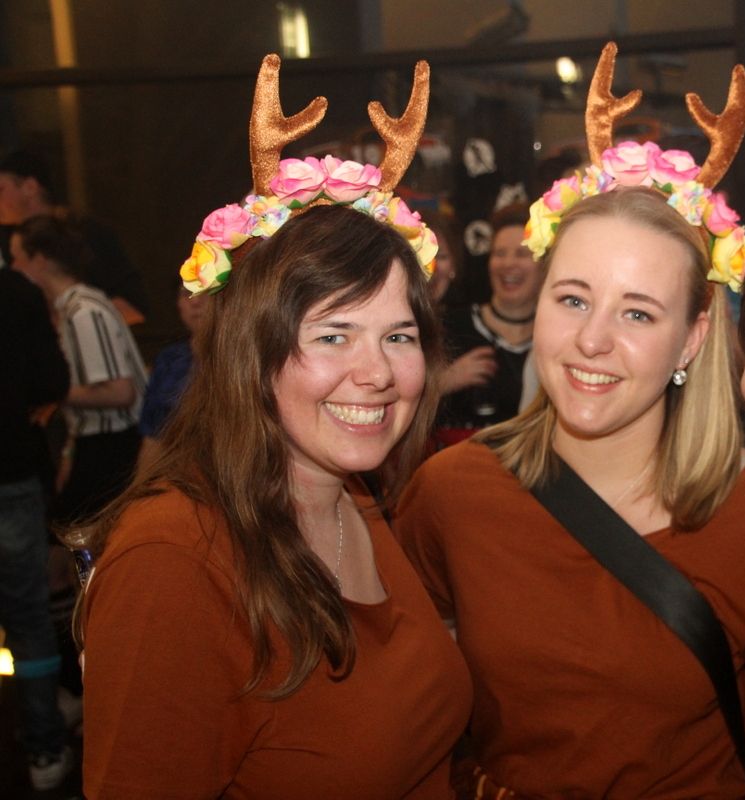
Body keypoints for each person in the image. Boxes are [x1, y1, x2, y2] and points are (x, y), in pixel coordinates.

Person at [397, 45, 745, 797]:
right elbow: (402, 710)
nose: (593, 340)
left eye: (638, 313)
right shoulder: (451, 496)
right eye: (573, 299)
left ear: (691, 338)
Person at [75, 55, 471, 798]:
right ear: (250, 354)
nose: (377, 372)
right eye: (333, 334)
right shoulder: (174, 562)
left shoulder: (352, 496)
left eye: (399, 335)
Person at [10, 215, 147, 524]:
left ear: (40, 260)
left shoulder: (84, 311)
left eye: (18, 259)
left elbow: (120, 392)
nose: (14, 269)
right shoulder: (70, 309)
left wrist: (49, 393)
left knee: (71, 534)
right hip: (97, 443)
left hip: (115, 447)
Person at [0, 265, 73, 789]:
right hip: (11, 469)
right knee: (28, 617)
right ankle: (45, 752)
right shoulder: (16, 292)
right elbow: (53, 381)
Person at [0, 149, 149, 322]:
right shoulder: (5, 240)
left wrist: (64, 320)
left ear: (30, 187)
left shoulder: (84, 234)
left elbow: (134, 306)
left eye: (1, 189)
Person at [433, 203, 538, 446]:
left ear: (544, 264)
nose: (508, 263)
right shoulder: (449, 326)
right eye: (499, 253)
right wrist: (443, 382)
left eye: (522, 254)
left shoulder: (555, 339)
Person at [136, 286, 210, 471]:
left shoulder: (245, 359)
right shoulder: (169, 360)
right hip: (175, 475)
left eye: (206, 292)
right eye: (187, 294)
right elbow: (152, 437)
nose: (195, 301)